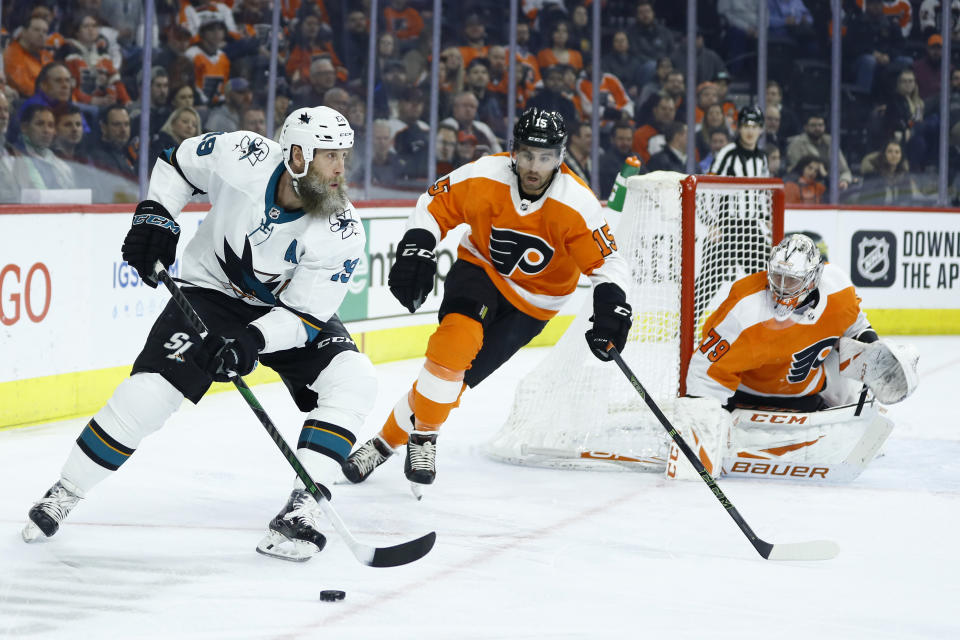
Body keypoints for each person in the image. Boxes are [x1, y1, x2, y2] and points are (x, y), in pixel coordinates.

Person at [22, 106, 377, 564]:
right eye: (330, 156)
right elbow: (176, 163)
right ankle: (65, 491)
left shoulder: (340, 229)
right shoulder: (243, 154)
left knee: (354, 380)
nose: (340, 171)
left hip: (282, 314)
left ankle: (301, 509)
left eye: (344, 157)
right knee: (147, 396)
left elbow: (305, 316)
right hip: (209, 294)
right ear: (297, 154)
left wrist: (251, 341)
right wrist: (156, 214)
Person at [341, 108, 632, 490]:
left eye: (545, 157)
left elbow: (608, 261)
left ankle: (382, 444)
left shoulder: (577, 204)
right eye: (527, 154)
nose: (534, 166)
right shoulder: (484, 175)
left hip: (535, 306)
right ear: (513, 151)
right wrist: (417, 246)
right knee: (454, 344)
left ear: (560, 157)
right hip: (481, 270)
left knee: (448, 382)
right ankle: (425, 438)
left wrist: (611, 305)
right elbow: (433, 204)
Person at [686, 234, 916, 413]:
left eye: (792, 280)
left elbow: (855, 325)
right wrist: (704, 414)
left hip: (807, 392)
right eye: (777, 276)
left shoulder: (837, 287)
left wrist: (871, 344)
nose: (782, 287)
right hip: (747, 393)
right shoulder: (745, 306)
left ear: (812, 279)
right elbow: (706, 369)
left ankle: (843, 410)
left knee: (848, 356)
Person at [710, 104, 768, 177]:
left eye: (754, 127)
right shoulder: (726, 154)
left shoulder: (762, 158)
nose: (750, 132)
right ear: (739, 128)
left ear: (761, 130)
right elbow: (710, 183)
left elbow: (765, 187)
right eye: (746, 126)